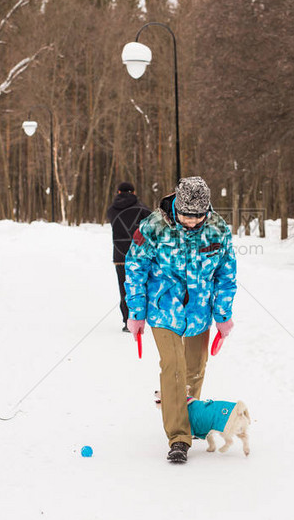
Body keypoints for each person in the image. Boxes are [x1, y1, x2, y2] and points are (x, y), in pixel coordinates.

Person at [124, 176, 238, 464]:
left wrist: (223, 315)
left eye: (198, 216)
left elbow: (226, 274)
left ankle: (189, 417)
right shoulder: (152, 226)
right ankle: (178, 437)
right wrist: (136, 312)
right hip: (163, 308)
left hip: (199, 311)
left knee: (195, 369)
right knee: (173, 367)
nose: (191, 221)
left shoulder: (218, 228)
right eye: (187, 215)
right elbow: (135, 267)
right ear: (177, 204)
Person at [107, 182, 151, 332]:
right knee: (140, 286)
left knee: (124, 287)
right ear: (133, 192)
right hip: (139, 254)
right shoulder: (142, 208)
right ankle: (140, 317)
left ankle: (127, 321)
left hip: (119, 256)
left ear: (118, 192)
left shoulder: (112, 210)